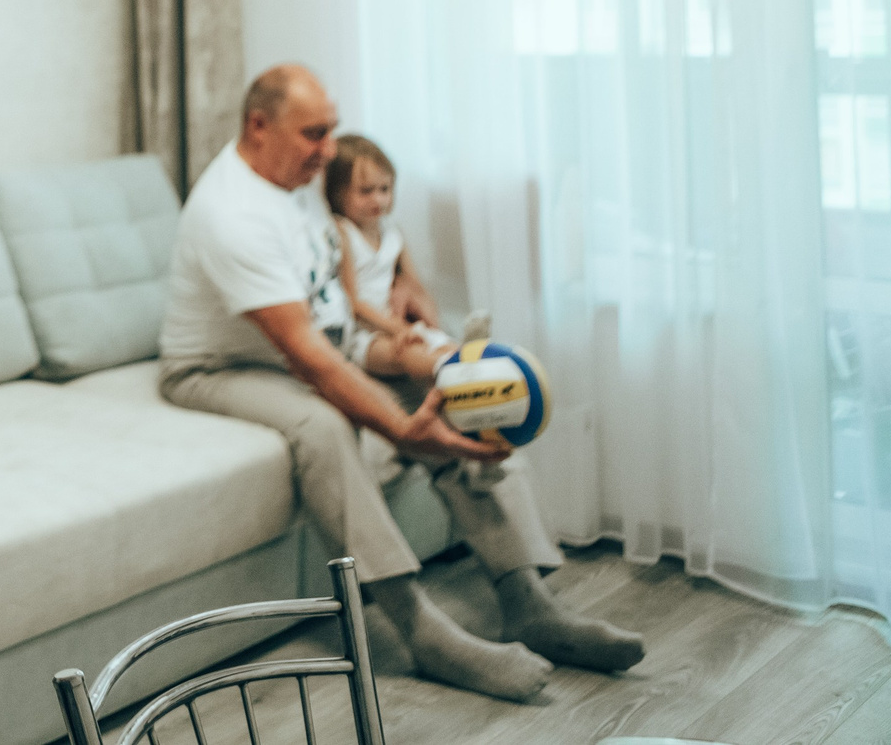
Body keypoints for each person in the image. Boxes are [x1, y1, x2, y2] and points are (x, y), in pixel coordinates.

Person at [157, 64, 644, 702]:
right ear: (258, 126)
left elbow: (345, 272)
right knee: (324, 423)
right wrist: (402, 426)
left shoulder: (294, 174)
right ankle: (419, 631)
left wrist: (405, 301)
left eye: (330, 131)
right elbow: (310, 360)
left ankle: (530, 603)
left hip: (320, 344)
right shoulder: (232, 214)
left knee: (462, 386)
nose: (328, 150)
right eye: (314, 134)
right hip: (217, 370)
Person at [325, 133, 454, 381]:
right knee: (405, 353)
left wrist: (430, 327)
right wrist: (401, 330)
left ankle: (468, 362)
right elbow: (353, 305)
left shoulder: (393, 233)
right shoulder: (342, 231)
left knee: (441, 344)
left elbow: (415, 286)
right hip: (363, 335)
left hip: (395, 323)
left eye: (384, 189)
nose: (378, 199)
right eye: (365, 191)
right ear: (338, 193)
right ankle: (458, 374)